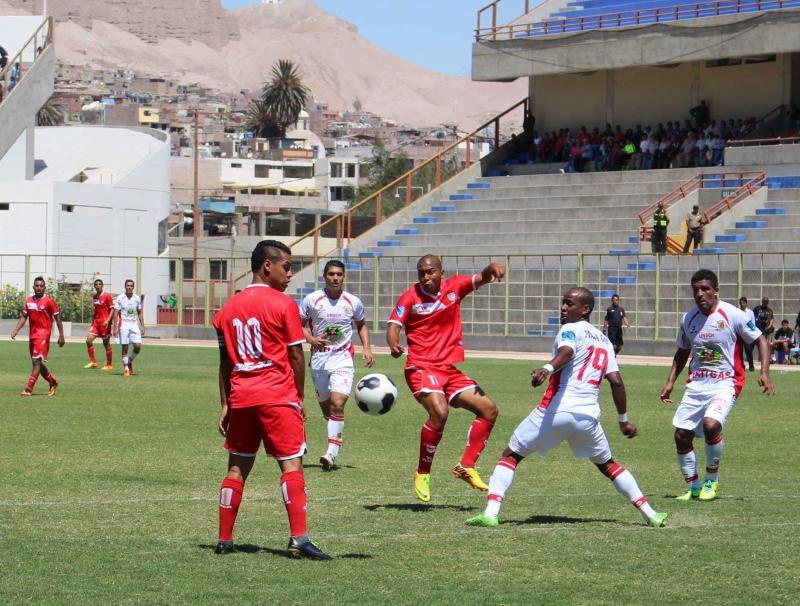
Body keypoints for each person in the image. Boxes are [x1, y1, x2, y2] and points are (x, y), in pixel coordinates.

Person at [465, 287, 667, 528]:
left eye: (570, 304)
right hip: (588, 418)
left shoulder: (570, 329)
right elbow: (616, 381)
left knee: (511, 455)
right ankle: (650, 513)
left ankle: (491, 512)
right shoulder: (604, 341)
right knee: (609, 465)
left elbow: (567, 351)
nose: (563, 307)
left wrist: (547, 369)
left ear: (585, 309)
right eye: (563, 303)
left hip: (557, 410)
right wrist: (623, 419)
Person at [213, 240, 330, 560]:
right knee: (291, 465)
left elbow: (225, 364)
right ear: (268, 265)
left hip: (242, 398)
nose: (290, 274)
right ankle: (300, 539)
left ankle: (224, 539)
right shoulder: (283, 304)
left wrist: (226, 403)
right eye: (287, 266)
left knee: (236, 468)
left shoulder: (226, 311)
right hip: (277, 396)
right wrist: (299, 397)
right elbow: (295, 355)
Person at [386, 255, 505, 502]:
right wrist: (394, 342)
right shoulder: (410, 297)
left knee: (489, 410)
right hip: (420, 367)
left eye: (430, 272)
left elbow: (481, 278)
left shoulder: (455, 287)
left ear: (442, 272)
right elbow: (394, 325)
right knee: (439, 413)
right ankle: (423, 473)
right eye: (421, 273)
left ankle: (466, 466)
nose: (425, 277)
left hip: (448, 369)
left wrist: (491, 267)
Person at [660, 269, 773, 502]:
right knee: (681, 435)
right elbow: (682, 352)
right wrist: (670, 381)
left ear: (716, 290)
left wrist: (764, 372)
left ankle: (712, 480)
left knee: (711, 425)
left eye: (705, 288)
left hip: (726, 382)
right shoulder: (688, 319)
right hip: (697, 384)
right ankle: (693, 486)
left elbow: (761, 339)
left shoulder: (733, 315)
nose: (700, 293)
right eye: (696, 289)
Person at [300, 260, 375, 471]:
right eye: (331, 274)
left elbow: (361, 325)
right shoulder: (312, 300)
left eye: (339, 274)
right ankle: (333, 435)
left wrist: (366, 348)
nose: (335, 278)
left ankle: (331, 453)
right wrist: (311, 340)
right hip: (319, 361)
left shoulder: (352, 302)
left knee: (338, 403)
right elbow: (297, 326)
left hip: (343, 359)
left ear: (343, 277)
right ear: (324, 276)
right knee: (328, 411)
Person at [10, 276, 65, 396]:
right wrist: (16, 330)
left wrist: (61, 335)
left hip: (44, 335)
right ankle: (52, 382)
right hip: (33, 336)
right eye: (37, 286)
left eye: (41, 286)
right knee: (37, 363)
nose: (39, 287)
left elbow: (58, 317)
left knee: (36, 361)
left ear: (44, 288)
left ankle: (28, 389)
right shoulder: (29, 301)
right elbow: (24, 317)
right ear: (33, 287)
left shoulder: (49, 301)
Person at [111, 279, 145, 376]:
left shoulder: (137, 298)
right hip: (124, 325)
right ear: (125, 287)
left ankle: (129, 360)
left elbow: (140, 313)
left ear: (133, 287)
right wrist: (115, 327)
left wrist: (142, 326)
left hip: (134, 325)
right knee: (125, 347)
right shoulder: (120, 298)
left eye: (131, 286)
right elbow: (115, 313)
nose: (129, 287)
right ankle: (126, 369)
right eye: (127, 285)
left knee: (137, 346)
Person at [84, 278, 114, 370]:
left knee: (106, 344)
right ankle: (93, 362)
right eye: (96, 284)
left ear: (102, 285)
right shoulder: (95, 297)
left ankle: (109, 365)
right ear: (94, 286)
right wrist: (93, 321)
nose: (98, 285)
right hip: (96, 323)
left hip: (105, 323)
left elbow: (112, 309)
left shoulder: (107, 296)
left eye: (99, 284)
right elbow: (96, 310)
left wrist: (108, 321)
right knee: (88, 341)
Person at [738, 297, 756, 371]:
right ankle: (741, 366)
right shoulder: (737, 311)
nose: (742, 304)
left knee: (748, 350)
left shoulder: (750, 312)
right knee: (739, 351)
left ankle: (751, 366)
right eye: (741, 303)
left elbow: (753, 323)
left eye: (743, 303)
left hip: (747, 333)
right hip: (739, 333)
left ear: (746, 303)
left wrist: (753, 332)